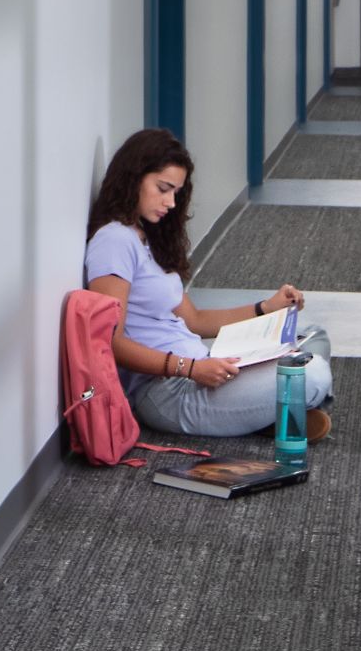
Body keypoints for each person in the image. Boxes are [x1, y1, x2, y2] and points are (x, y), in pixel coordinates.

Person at [83, 127, 332, 445]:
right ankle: (277, 411)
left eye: (176, 192)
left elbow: (196, 321)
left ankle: (266, 413)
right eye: (163, 188)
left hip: (202, 362)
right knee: (313, 374)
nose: (171, 202)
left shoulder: (145, 236)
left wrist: (266, 308)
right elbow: (109, 342)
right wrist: (190, 368)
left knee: (311, 333)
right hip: (168, 391)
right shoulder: (114, 241)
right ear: (133, 178)